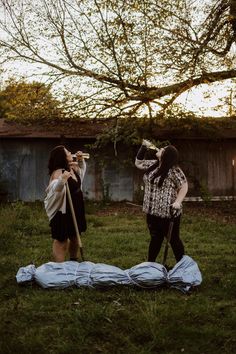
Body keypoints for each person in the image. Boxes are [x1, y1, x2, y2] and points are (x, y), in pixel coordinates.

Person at [135, 141, 188, 263]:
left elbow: (184, 186)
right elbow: (138, 163)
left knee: (173, 240)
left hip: (168, 213)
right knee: (155, 238)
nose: (160, 148)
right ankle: (150, 265)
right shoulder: (154, 164)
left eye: (163, 149)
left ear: (166, 155)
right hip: (152, 211)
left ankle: (182, 267)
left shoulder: (174, 170)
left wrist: (178, 202)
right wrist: (143, 147)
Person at [44, 145, 87, 262]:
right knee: (61, 239)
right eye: (67, 152)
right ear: (62, 157)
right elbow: (54, 189)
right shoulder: (58, 172)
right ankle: (60, 267)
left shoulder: (71, 167)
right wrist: (62, 180)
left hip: (76, 207)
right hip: (64, 210)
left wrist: (81, 162)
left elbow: (80, 179)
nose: (70, 152)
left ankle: (73, 261)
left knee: (75, 236)